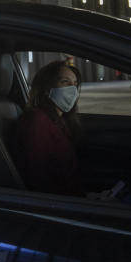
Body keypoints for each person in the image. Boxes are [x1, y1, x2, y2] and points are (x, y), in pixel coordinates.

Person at [13, 60, 84, 196]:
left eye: (75, 84)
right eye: (65, 82)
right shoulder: (36, 121)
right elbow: (38, 180)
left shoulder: (59, 120)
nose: (73, 90)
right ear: (46, 88)